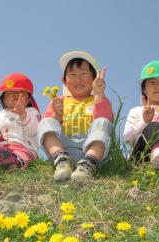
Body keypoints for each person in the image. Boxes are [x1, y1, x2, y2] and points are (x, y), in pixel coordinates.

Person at [38, 50, 113, 181]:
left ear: (94, 78)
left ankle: (88, 164)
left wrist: (99, 94)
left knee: (102, 122)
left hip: (91, 147)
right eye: (72, 75)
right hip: (65, 147)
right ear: (64, 80)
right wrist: (57, 115)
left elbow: (107, 121)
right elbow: (49, 128)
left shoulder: (98, 99)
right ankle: (61, 160)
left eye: (84, 74)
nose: (78, 79)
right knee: (46, 122)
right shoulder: (59, 101)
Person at [0, 73, 41, 171]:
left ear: (28, 98)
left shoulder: (31, 111)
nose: (15, 95)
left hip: (23, 146)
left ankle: (16, 162)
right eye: (10, 92)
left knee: (21, 154)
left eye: (21, 92)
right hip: (0, 147)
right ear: (3, 98)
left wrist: (22, 114)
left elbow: (34, 131)